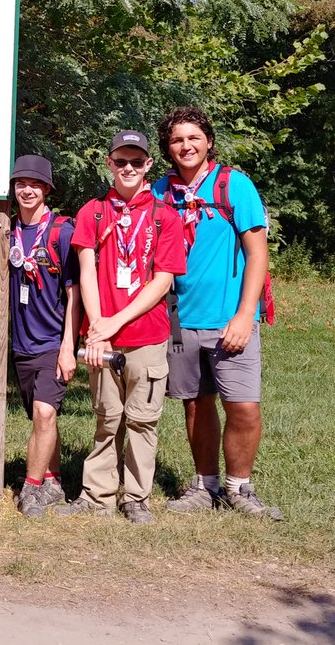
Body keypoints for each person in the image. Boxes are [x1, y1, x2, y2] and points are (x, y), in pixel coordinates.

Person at [153, 107, 282, 519]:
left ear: (208, 141)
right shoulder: (160, 192)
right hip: (180, 319)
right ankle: (205, 484)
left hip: (230, 318)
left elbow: (257, 252)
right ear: (168, 148)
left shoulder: (234, 185)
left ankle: (240, 487)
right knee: (195, 404)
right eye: (177, 140)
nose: (186, 146)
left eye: (193, 138)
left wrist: (246, 315)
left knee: (243, 406)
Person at [55, 130, 185, 524]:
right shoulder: (92, 212)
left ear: (148, 165)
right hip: (102, 336)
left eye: (136, 161)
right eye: (120, 161)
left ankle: (136, 497)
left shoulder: (165, 216)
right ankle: (97, 496)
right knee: (106, 416)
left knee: (143, 420)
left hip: (146, 334)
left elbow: (163, 281)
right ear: (109, 164)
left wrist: (114, 321)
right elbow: (87, 270)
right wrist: (99, 327)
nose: (128, 168)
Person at [0, 155, 80, 518]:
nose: (27, 189)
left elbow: (75, 296)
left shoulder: (61, 232)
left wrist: (69, 347)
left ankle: (32, 488)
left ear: (47, 189)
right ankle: (53, 480)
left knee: (43, 414)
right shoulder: (7, 230)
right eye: (21, 183)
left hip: (53, 342)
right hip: (20, 343)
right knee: (41, 418)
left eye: (35, 184)